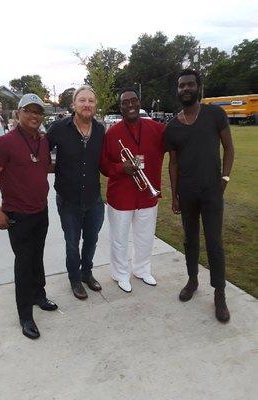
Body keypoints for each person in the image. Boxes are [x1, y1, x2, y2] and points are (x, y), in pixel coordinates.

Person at [0, 93, 58, 340]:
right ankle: (25, 315)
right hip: (18, 215)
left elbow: (44, 166)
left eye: (38, 112)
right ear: (18, 113)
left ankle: (39, 295)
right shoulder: (5, 143)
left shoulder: (43, 141)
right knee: (24, 263)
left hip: (40, 210)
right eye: (29, 111)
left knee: (37, 257)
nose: (34, 116)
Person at [165, 69, 234, 323]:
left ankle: (219, 293)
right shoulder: (172, 126)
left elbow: (229, 148)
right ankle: (192, 280)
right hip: (187, 193)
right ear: (178, 90)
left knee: (214, 243)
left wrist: (224, 179)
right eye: (181, 85)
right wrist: (175, 196)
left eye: (190, 85)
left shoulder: (215, 114)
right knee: (190, 240)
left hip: (212, 192)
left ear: (198, 87)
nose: (185, 89)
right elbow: (173, 164)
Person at [100, 88, 165, 293]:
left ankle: (142, 269)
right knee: (119, 238)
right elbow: (103, 166)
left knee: (146, 236)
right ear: (120, 107)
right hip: (121, 196)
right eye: (125, 102)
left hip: (147, 194)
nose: (130, 105)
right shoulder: (112, 134)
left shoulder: (156, 128)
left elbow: (179, 142)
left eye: (134, 101)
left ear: (139, 102)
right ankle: (120, 273)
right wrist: (122, 168)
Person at [46, 85, 105, 300]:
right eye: (82, 100)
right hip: (68, 199)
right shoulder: (58, 128)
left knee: (91, 240)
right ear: (74, 104)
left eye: (91, 100)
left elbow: (104, 161)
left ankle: (86, 273)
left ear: (95, 105)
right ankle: (74, 279)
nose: (87, 104)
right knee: (72, 243)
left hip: (94, 198)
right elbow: (41, 152)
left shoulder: (100, 130)